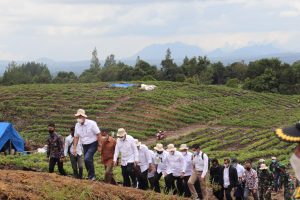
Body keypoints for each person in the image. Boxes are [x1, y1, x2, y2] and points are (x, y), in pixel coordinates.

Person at [73, 109, 101, 180]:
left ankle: (92, 176)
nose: (79, 118)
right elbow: (76, 137)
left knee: (87, 158)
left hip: (93, 143)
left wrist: (99, 145)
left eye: (80, 116)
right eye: (78, 117)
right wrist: (74, 148)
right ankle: (90, 175)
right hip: (84, 145)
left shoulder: (92, 123)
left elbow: (98, 133)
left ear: (84, 117)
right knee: (87, 160)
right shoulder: (77, 125)